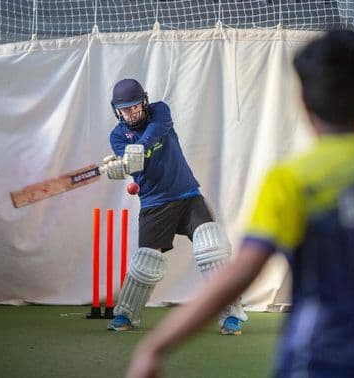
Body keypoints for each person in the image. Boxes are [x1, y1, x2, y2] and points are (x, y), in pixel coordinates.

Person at [125, 30, 354, 378]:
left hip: (322, 363)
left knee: (211, 250)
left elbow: (242, 272)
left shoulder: (293, 181)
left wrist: (156, 346)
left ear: (303, 100)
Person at [101, 78, 247, 335]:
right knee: (146, 263)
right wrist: (122, 165)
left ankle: (231, 316)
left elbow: (156, 130)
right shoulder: (117, 136)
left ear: (144, 102)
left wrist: (139, 149)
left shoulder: (159, 111)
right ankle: (125, 315)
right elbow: (135, 166)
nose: (132, 112)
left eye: (136, 106)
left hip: (187, 195)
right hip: (155, 203)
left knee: (212, 247)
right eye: (125, 109)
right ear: (117, 110)